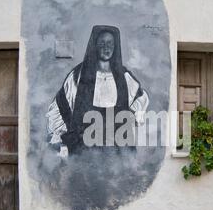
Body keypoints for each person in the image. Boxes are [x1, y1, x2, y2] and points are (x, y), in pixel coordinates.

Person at [46, 25, 149, 156]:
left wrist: (130, 116)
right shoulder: (78, 75)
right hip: (84, 151)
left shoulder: (124, 77)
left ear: (115, 46)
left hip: (117, 152)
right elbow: (60, 106)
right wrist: (65, 139)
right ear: (94, 46)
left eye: (110, 43)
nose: (107, 47)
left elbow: (141, 98)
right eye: (102, 43)